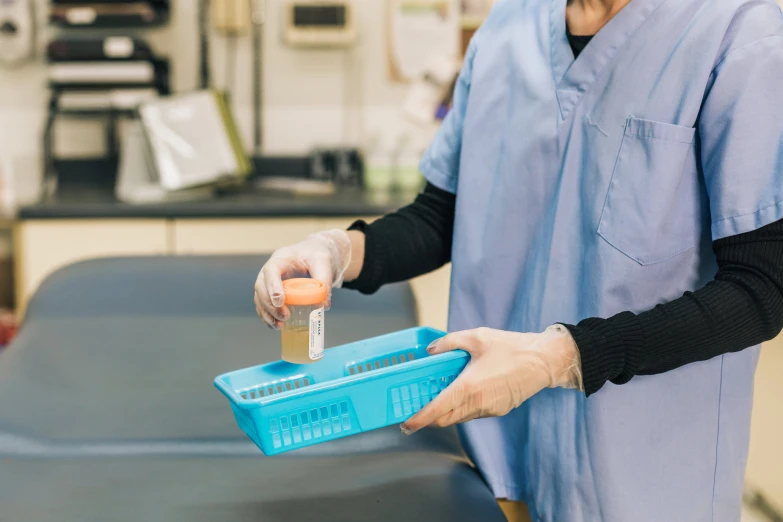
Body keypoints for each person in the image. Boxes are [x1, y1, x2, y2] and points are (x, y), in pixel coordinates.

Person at [254, 0, 783, 520]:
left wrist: (558, 358)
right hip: (496, 462)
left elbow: (763, 288)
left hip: (645, 478)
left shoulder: (736, 33)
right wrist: (337, 252)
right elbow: (443, 216)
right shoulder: (508, 27)